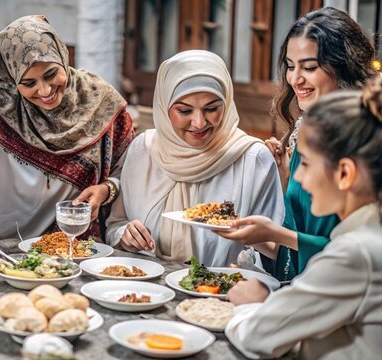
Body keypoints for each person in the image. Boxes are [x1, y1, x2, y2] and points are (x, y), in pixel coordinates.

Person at [0, 15, 134, 255]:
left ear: (63, 57)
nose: (45, 90)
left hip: (74, 251)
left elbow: (128, 171)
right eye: (28, 83)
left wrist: (106, 190)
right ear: (12, 78)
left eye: (51, 74)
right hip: (1, 248)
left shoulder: (98, 99)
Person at [225, 77, 382, 359]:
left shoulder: (356, 252)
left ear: (345, 173)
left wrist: (253, 303)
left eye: (306, 164)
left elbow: (258, 336)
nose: (296, 177)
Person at [216, 7, 376, 280]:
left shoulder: (366, 143)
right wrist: (284, 179)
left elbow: (361, 255)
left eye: (309, 67)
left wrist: (273, 233)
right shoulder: (303, 132)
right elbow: (297, 234)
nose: (295, 79)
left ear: (344, 66)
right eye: (291, 66)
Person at [105, 50, 284, 267]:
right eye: (184, 110)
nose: (199, 123)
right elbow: (115, 226)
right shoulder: (142, 150)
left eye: (212, 108)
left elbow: (277, 251)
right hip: (146, 293)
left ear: (227, 105)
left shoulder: (252, 158)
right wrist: (126, 235)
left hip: (222, 294)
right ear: (164, 107)